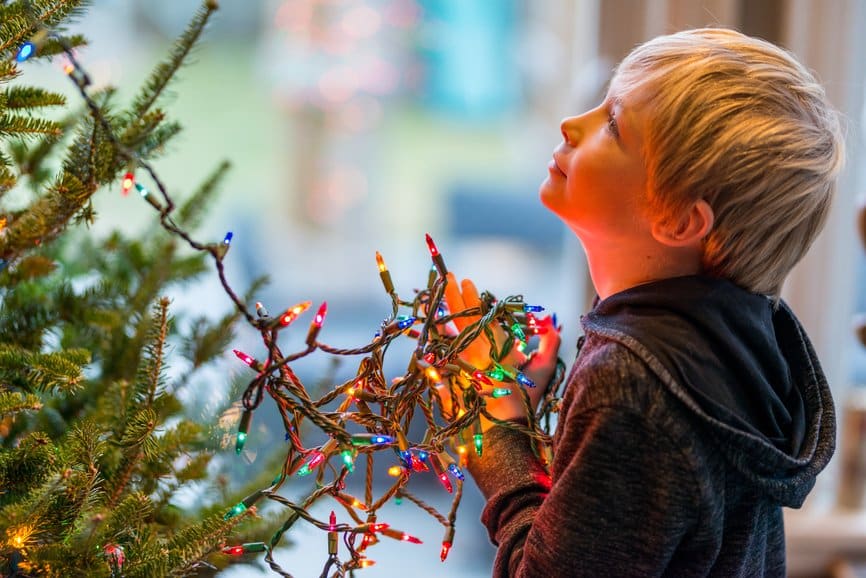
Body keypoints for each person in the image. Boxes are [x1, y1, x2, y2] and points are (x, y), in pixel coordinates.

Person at [443, 27, 843, 577]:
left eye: (613, 125)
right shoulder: (735, 347)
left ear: (680, 219)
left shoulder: (631, 384)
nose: (572, 123)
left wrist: (494, 428)